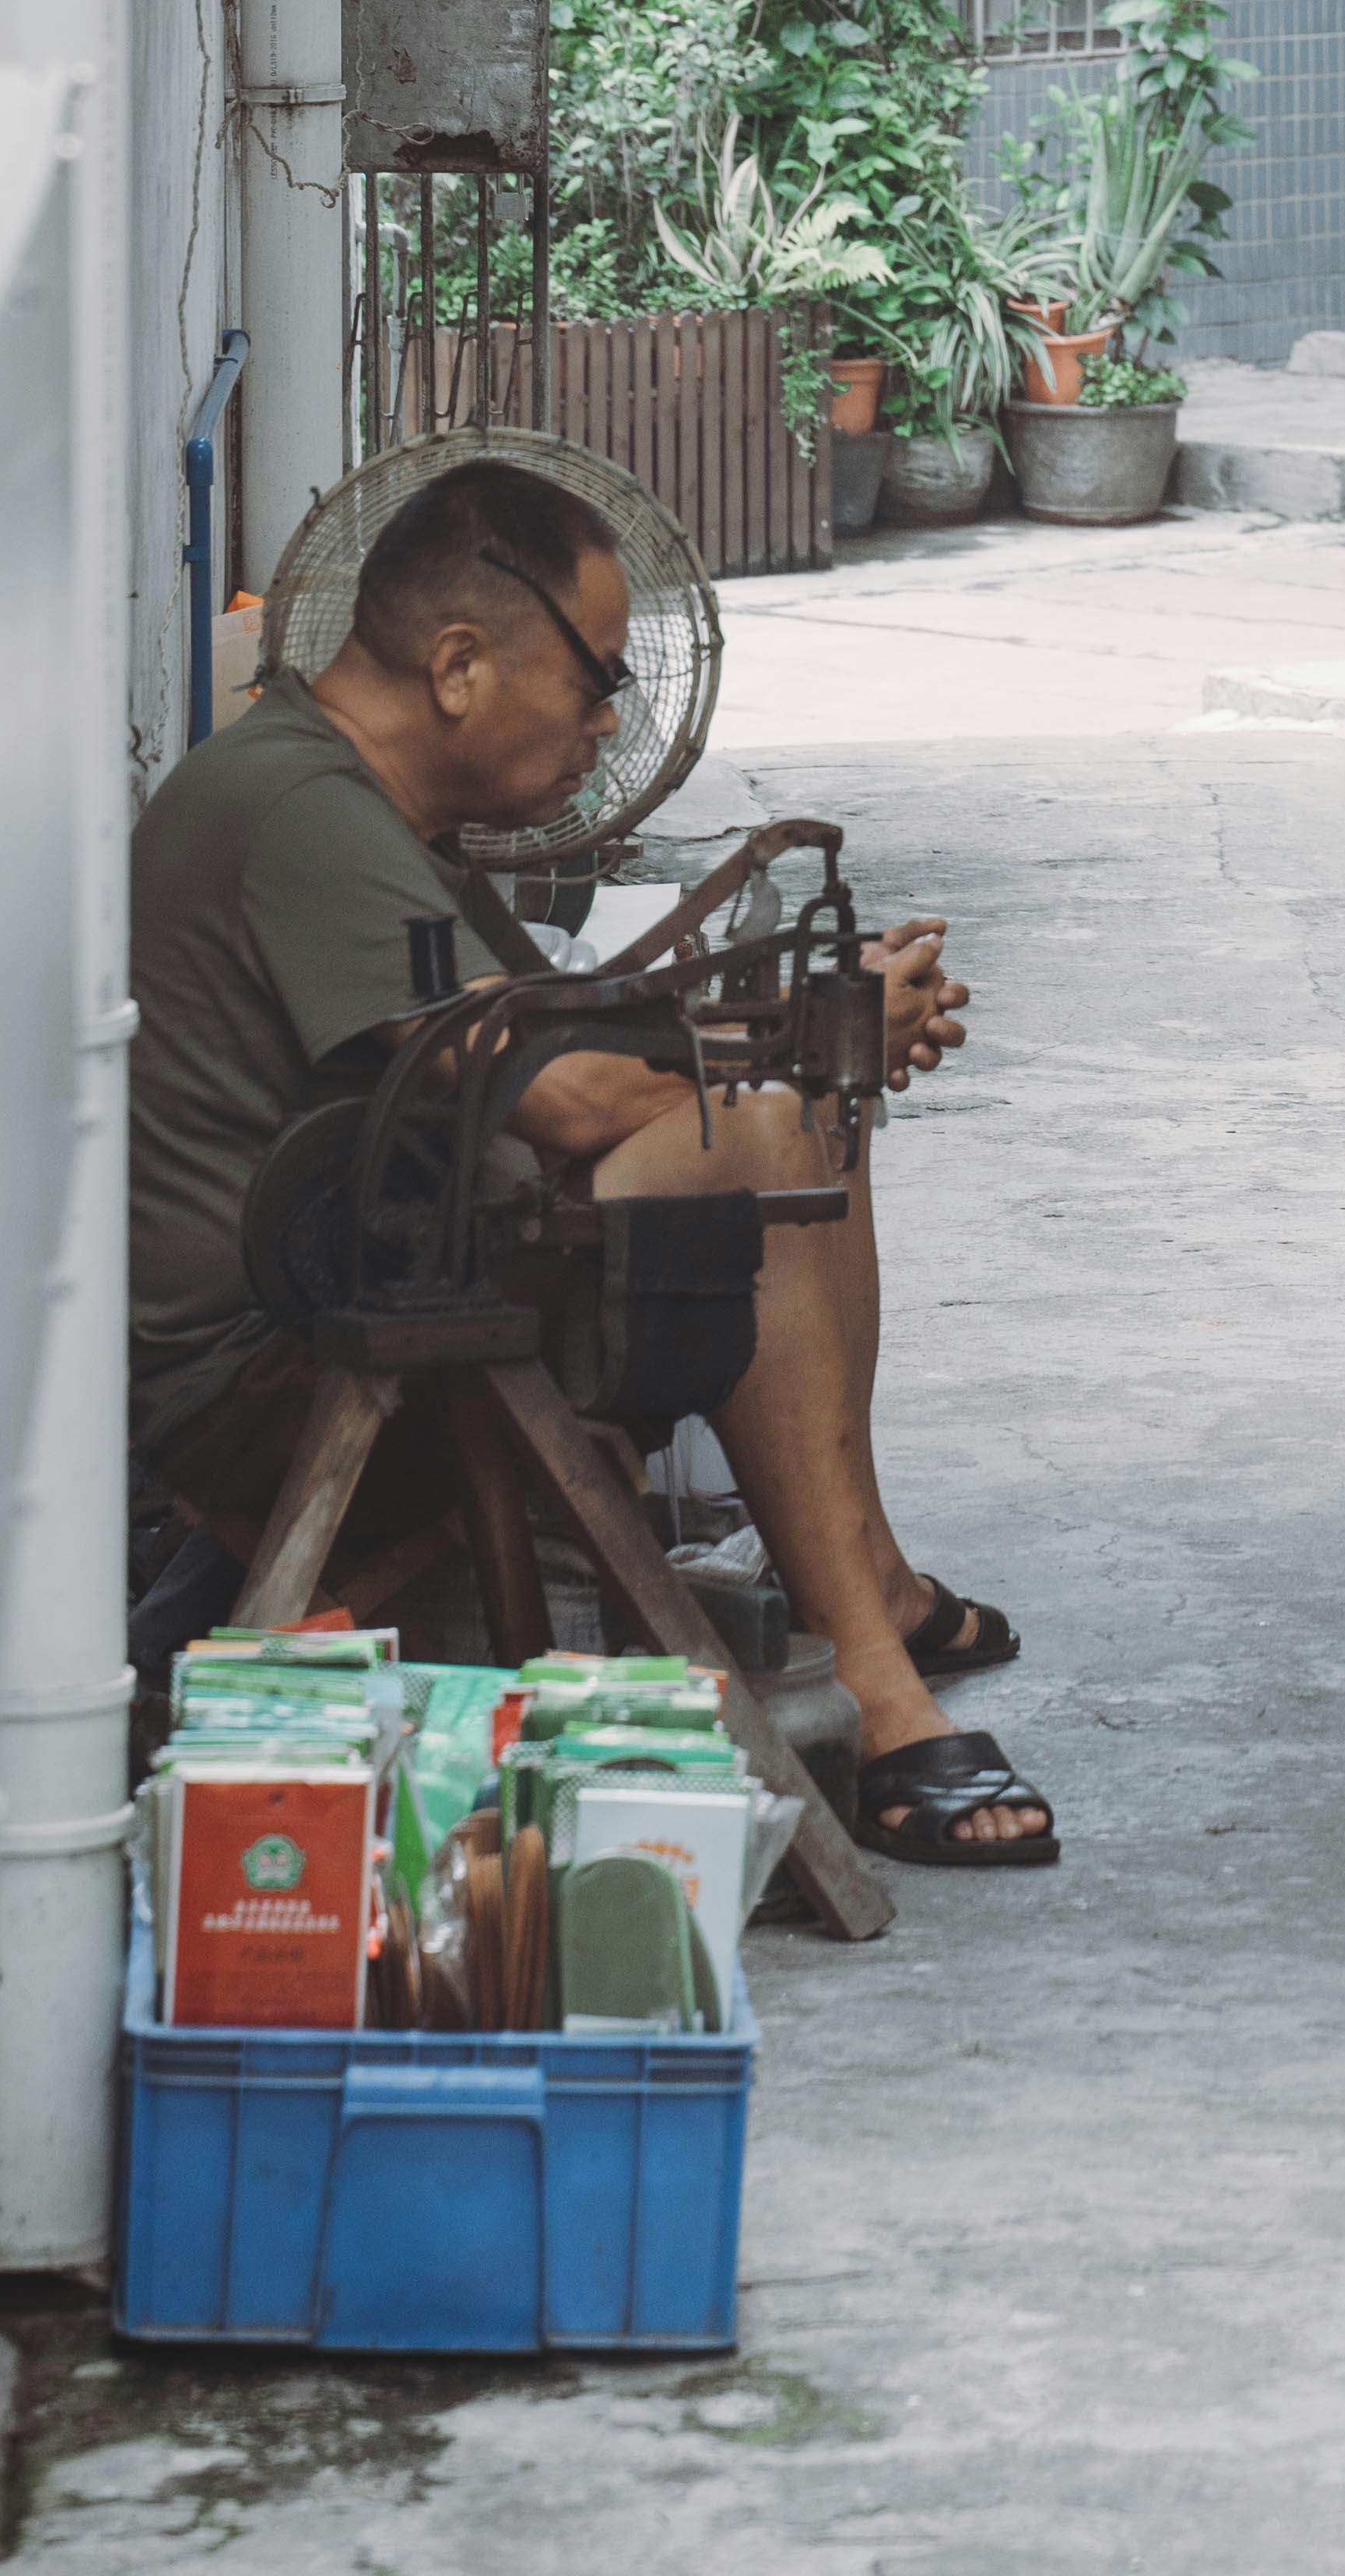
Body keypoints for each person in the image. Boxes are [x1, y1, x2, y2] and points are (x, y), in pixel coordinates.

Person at [128, 454, 1054, 1868]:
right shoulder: (290, 808)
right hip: (268, 1380)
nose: (607, 721)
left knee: (794, 1089)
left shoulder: (364, 814)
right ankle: (874, 1677)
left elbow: (556, 1035)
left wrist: (813, 1025)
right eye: (596, 677)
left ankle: (866, 1575)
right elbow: (558, 1096)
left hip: (361, 1286)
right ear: (457, 665)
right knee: (763, 1114)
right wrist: (794, 1034)